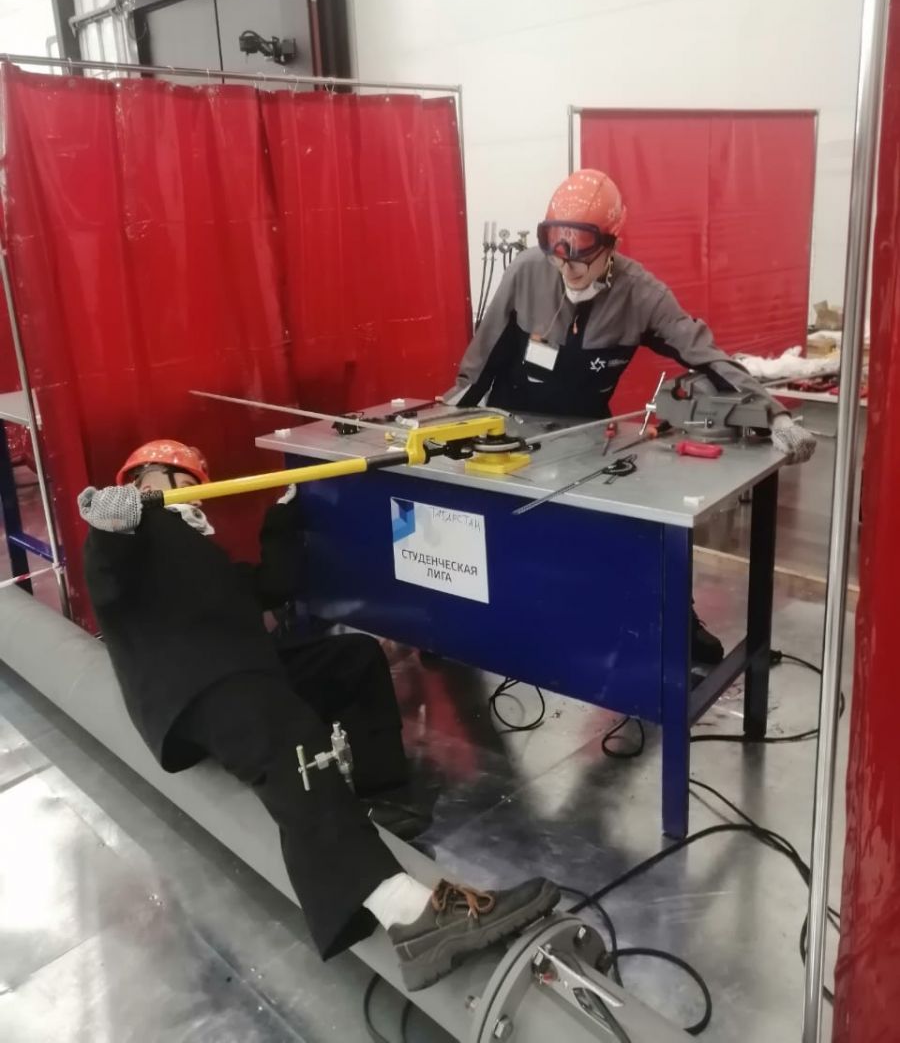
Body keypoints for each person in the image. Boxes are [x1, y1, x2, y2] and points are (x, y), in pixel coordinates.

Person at [78, 440, 559, 991]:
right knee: (294, 745)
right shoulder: (137, 530)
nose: (194, 496)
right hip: (200, 685)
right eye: (181, 483)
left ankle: (382, 801)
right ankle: (412, 918)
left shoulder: (197, 549)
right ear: (145, 479)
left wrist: (283, 515)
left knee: (353, 659)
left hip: (245, 665)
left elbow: (272, 586)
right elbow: (108, 583)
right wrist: (109, 528)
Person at [445, 169, 816, 663]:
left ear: (612, 243)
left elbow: (704, 354)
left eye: (582, 249)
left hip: (585, 431)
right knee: (484, 526)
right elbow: (479, 365)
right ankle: (453, 622)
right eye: (557, 247)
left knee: (639, 525)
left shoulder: (641, 295)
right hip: (511, 432)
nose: (569, 264)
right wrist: (443, 426)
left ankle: (675, 620)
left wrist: (775, 415)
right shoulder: (527, 272)